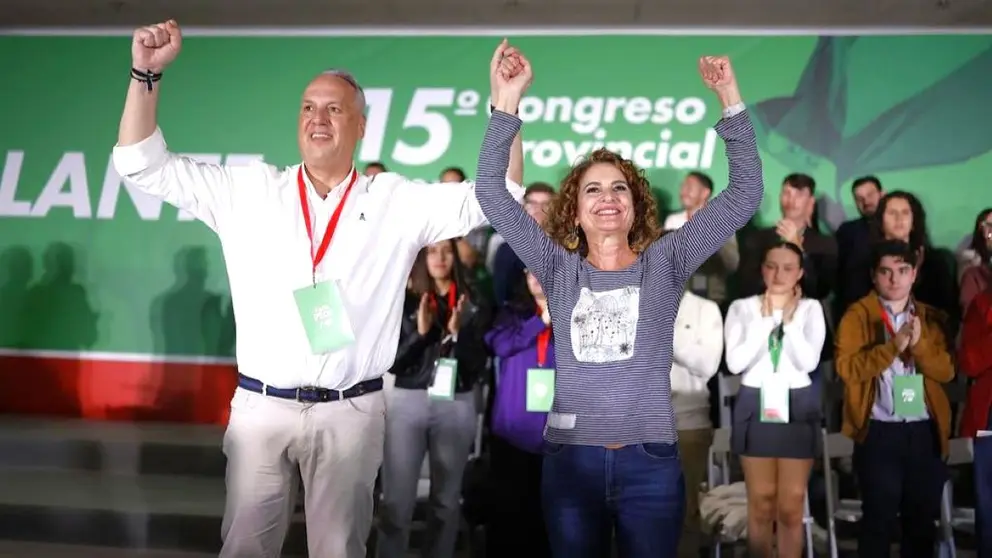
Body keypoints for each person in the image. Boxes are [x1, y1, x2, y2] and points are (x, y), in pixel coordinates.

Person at [113, 21, 523, 558]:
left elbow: (501, 196)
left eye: (333, 109)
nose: (317, 118)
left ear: (361, 125)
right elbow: (139, 163)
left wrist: (506, 105)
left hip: (351, 413)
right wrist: (145, 74)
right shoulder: (249, 191)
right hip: (261, 410)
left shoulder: (394, 201)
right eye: (308, 107)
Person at [474, 41, 764, 557]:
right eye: (592, 190)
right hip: (571, 462)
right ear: (574, 210)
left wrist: (730, 100)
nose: (607, 197)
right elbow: (493, 194)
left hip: (650, 466)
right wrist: (507, 101)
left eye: (619, 189)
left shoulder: (666, 260)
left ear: (636, 206)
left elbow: (744, 193)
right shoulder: (556, 266)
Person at [835, 240, 953, 558]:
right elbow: (847, 369)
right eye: (885, 272)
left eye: (902, 271)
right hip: (878, 430)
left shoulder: (930, 317)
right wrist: (891, 348)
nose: (894, 279)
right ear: (873, 276)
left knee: (921, 523)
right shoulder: (857, 316)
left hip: (923, 430)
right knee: (878, 519)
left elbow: (946, 372)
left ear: (914, 274)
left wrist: (919, 346)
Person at [378, 239, 492, 558]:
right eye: (432, 252)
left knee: (445, 502)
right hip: (408, 401)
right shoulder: (404, 300)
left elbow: (478, 364)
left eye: (446, 251)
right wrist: (421, 333)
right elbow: (392, 362)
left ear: (456, 256)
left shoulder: (473, 301)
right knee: (396, 502)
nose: (440, 258)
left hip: (456, 402)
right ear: (421, 258)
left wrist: (458, 333)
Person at [724, 241, 826, 558]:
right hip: (756, 400)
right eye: (772, 266)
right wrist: (767, 320)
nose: (779, 274)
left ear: (800, 273)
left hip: (797, 402)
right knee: (761, 503)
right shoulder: (742, 308)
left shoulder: (811, 309)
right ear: (762, 269)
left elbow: (808, 361)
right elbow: (735, 363)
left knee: (791, 506)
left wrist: (789, 323)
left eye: (788, 268)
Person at [484, 268, 555, 558]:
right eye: (529, 270)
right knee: (511, 517)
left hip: (558, 437)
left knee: (548, 520)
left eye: (543, 267)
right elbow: (499, 345)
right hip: (513, 434)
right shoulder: (512, 314)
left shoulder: (576, 314)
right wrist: (541, 321)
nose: (536, 275)